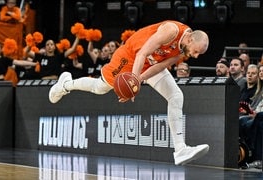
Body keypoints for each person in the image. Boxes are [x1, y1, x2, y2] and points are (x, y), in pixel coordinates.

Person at [49, 20, 210, 165]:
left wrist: (138, 81)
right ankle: (66, 85)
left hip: (152, 63)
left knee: (176, 96)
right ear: (190, 39)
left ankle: (180, 149)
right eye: (196, 51)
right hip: (131, 56)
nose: (195, 56)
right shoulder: (172, 31)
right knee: (99, 87)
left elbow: (161, 66)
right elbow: (142, 53)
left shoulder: (183, 48)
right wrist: (133, 80)